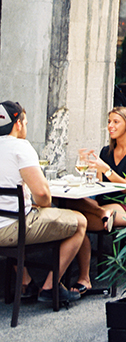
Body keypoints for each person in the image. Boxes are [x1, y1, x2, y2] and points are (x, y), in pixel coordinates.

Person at [0, 101, 90, 304]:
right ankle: (50, 287)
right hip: (12, 230)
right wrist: (43, 206)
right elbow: (42, 195)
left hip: (5, 224)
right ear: (18, 124)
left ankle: (26, 282)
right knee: (80, 222)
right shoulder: (20, 147)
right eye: (26, 122)